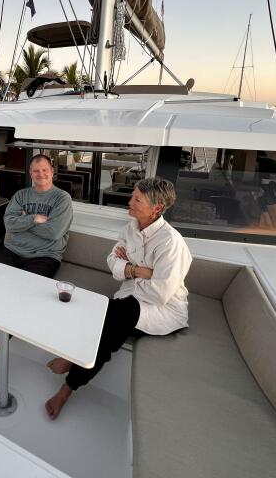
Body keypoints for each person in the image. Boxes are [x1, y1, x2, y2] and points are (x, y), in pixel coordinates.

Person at [44, 177, 192, 420]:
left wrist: (129, 270)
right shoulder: (131, 228)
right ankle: (75, 360)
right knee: (103, 310)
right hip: (130, 296)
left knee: (116, 318)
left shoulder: (171, 243)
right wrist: (138, 271)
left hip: (164, 309)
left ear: (156, 209)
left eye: (137, 199)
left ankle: (67, 387)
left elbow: (160, 293)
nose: (130, 202)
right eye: (132, 196)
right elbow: (112, 262)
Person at [0, 154, 73, 387]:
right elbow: (9, 224)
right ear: (30, 173)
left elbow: (54, 233)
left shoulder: (62, 198)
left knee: (19, 299)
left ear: (52, 171)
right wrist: (36, 219)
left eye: (44, 170)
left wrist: (24, 222)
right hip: (12, 250)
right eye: (35, 170)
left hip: (44, 256)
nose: (40, 174)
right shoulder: (21, 195)